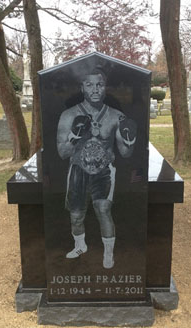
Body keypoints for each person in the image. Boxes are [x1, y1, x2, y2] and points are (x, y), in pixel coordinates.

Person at [57, 67, 137, 269]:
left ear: (105, 88)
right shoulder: (68, 115)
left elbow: (125, 154)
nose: (95, 89)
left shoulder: (115, 116)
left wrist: (130, 140)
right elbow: (62, 153)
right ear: (82, 87)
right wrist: (74, 138)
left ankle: (109, 253)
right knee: (76, 216)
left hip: (104, 171)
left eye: (99, 84)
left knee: (103, 210)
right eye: (89, 84)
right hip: (78, 170)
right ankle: (80, 245)